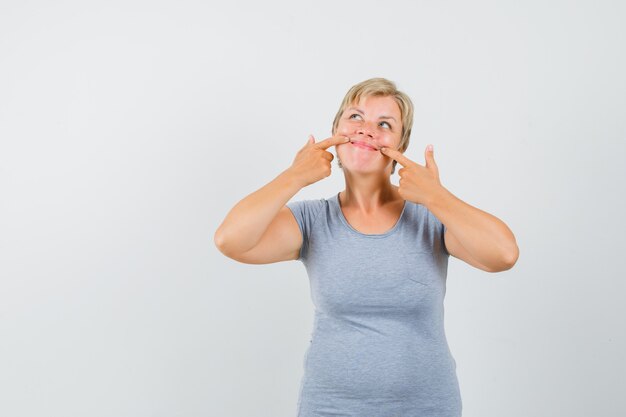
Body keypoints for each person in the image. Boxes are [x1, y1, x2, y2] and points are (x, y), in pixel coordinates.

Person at [214, 78, 519, 416]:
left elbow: (503, 255)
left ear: (400, 146)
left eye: (384, 124)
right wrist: (294, 176)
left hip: (426, 408)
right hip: (330, 408)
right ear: (335, 130)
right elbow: (231, 240)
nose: (366, 130)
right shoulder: (312, 221)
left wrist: (437, 196)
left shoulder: (431, 218)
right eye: (356, 117)